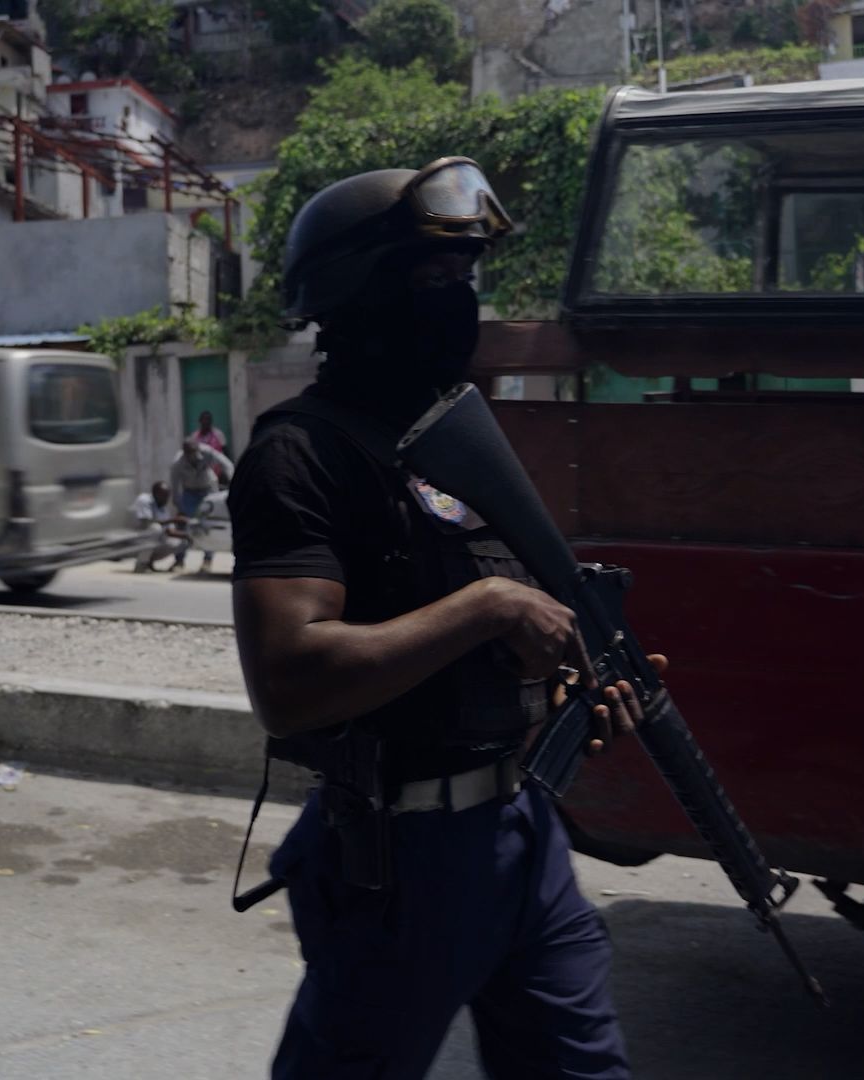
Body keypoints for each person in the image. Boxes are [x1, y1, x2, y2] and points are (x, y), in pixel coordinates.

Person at [228, 158, 660, 1079]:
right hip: (401, 861)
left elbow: (500, 642)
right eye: (434, 278)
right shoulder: (299, 454)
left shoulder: (456, 444)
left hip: (523, 835)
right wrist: (489, 606)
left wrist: (572, 692)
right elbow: (289, 679)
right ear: (358, 291)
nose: (458, 302)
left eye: (466, 278)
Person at [130, 481, 190, 572]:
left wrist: (188, 535)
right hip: (134, 540)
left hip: (151, 541)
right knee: (155, 528)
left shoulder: (163, 508)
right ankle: (141, 564)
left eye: (167, 496)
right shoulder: (144, 500)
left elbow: (170, 531)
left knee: (179, 542)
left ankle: (149, 562)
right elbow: (147, 523)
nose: (166, 499)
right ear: (155, 493)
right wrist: (174, 520)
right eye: (163, 496)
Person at [169, 438, 231, 520]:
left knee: (212, 515)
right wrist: (179, 505)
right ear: (184, 452)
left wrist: (231, 480)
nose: (191, 454)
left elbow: (226, 464)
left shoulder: (207, 452)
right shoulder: (178, 463)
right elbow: (175, 484)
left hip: (208, 488)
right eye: (188, 452)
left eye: (193, 451)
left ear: (198, 448)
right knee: (190, 519)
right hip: (190, 492)